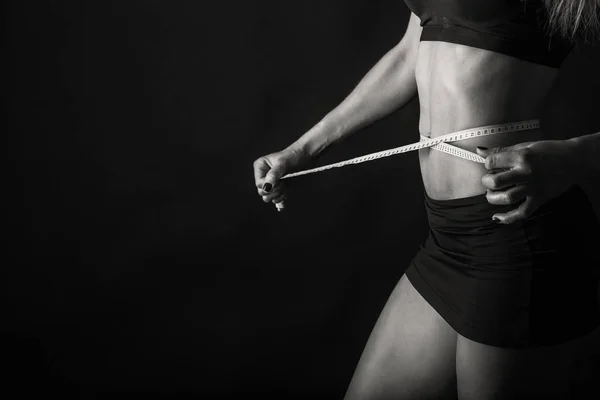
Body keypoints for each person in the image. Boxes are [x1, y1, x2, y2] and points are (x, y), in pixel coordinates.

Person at [253, 0, 600, 398]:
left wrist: (573, 155)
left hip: (515, 238)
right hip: (448, 240)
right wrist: (303, 149)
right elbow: (409, 52)